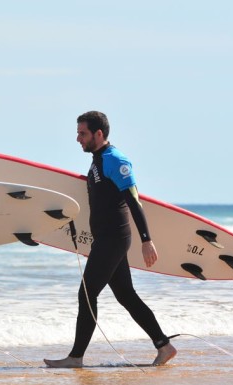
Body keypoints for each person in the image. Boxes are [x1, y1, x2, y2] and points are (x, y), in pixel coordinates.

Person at [44, 111, 177, 368]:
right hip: (105, 239)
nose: (77, 138)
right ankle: (164, 345)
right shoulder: (98, 160)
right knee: (126, 295)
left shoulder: (116, 160)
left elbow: (134, 201)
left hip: (113, 239)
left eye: (82, 133)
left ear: (99, 134)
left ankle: (75, 358)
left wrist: (146, 240)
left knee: (86, 294)